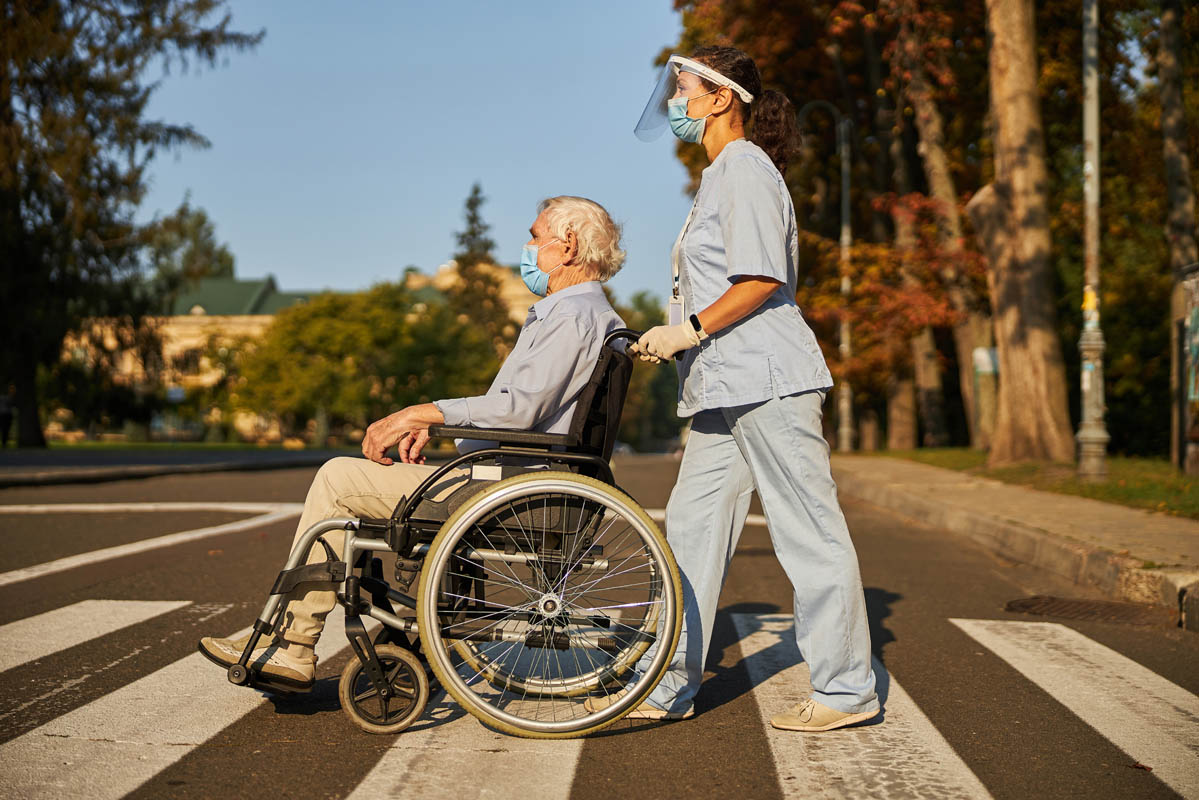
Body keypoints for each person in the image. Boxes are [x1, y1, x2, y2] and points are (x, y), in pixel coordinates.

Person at [199, 196, 627, 692]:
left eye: (535, 236)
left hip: (507, 490)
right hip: (514, 480)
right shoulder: (582, 315)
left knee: (337, 479)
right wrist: (444, 429)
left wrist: (418, 413)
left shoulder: (571, 317)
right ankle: (381, 635)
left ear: (567, 244)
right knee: (354, 482)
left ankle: (294, 646)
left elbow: (520, 410)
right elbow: (525, 412)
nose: (528, 249)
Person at [603, 45, 880, 731]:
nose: (674, 103)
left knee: (808, 534)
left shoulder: (746, 170)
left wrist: (688, 329)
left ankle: (846, 692)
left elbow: (759, 281)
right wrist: (680, 339)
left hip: (768, 381)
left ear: (720, 98)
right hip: (721, 390)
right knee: (692, 534)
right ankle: (667, 685)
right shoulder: (721, 176)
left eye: (683, 89)